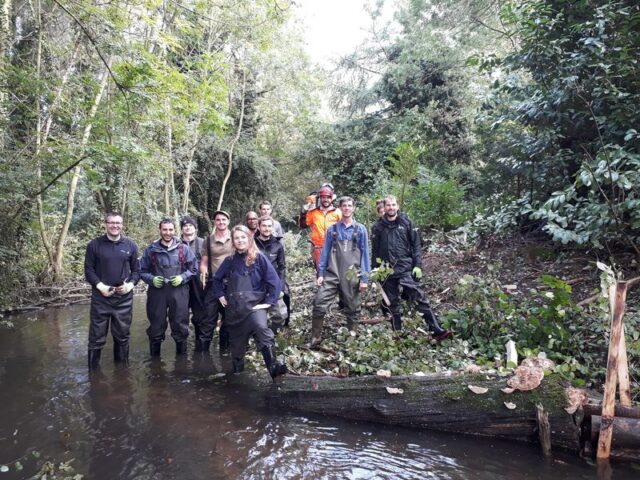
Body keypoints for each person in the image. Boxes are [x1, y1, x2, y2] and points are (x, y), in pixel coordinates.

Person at [371, 195, 452, 341]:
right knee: (392, 303)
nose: (391, 208)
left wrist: (418, 265)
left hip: (404, 268)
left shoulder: (407, 223)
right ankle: (398, 334)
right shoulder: (378, 227)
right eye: (388, 205)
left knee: (419, 297)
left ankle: (436, 330)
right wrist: (374, 270)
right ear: (384, 207)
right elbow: (375, 251)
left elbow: (416, 245)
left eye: (393, 205)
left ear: (398, 206)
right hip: (386, 270)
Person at [212, 225, 288, 379]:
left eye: (243, 237)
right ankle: (237, 378)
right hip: (235, 310)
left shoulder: (260, 258)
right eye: (236, 238)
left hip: (255, 307)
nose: (240, 241)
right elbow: (216, 280)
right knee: (237, 349)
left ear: (249, 239)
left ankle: (273, 368)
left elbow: (274, 281)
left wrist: (269, 302)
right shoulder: (229, 261)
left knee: (262, 329)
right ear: (233, 241)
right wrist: (220, 295)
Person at [310, 197, 370, 346]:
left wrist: (364, 279)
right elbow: (324, 253)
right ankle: (315, 338)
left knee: (353, 307)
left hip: (351, 274)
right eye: (344, 206)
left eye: (350, 205)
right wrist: (321, 274)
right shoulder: (333, 230)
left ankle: (352, 338)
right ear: (340, 208)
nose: (347, 208)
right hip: (333, 273)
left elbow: (365, 255)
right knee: (319, 302)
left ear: (354, 208)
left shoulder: (360, 229)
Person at [84, 212, 140, 369]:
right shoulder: (94, 245)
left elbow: (137, 271)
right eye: (112, 222)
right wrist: (100, 286)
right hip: (101, 298)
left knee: (122, 337)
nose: (115, 226)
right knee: (96, 337)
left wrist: (129, 285)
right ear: (105, 224)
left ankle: (122, 375)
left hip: (123, 298)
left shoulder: (130, 245)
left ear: (122, 225)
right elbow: (88, 270)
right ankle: (93, 376)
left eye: (118, 223)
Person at [140, 218, 198, 356]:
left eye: (170, 229)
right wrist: (152, 279)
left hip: (179, 293)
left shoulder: (184, 249)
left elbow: (194, 269)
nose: (167, 232)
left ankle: (181, 364)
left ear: (174, 230)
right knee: (156, 327)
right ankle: (154, 365)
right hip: (157, 293)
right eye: (164, 229)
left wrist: (182, 278)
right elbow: (142, 271)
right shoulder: (151, 250)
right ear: (160, 230)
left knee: (180, 327)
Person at [199, 210, 234, 353]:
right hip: (214, 284)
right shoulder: (208, 241)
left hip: (232, 284)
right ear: (214, 222)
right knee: (208, 320)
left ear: (228, 221)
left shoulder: (236, 237)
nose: (221, 222)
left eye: (224, 219)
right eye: (218, 220)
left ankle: (225, 353)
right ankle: (202, 357)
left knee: (229, 320)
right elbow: (203, 262)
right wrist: (203, 272)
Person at [254, 215, 289, 334]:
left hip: (273, 285)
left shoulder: (277, 245)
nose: (266, 228)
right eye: (264, 226)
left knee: (279, 316)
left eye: (269, 226)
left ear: (273, 228)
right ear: (258, 227)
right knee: (256, 316)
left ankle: (273, 336)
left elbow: (282, 267)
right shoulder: (252, 243)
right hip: (256, 285)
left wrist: (281, 285)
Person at [298, 183, 341, 270]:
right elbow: (303, 225)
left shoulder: (337, 212)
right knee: (320, 272)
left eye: (328, 197)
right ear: (320, 198)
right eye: (323, 197)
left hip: (334, 247)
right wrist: (303, 213)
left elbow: (344, 229)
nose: (326, 200)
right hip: (317, 247)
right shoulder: (313, 212)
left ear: (331, 198)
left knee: (334, 272)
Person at [179, 216, 206, 351]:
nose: (188, 227)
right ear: (182, 228)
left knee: (200, 316)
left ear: (195, 228)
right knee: (181, 315)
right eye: (185, 225)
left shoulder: (203, 243)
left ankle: (200, 348)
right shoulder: (175, 243)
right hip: (181, 283)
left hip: (199, 284)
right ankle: (182, 349)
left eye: (190, 225)